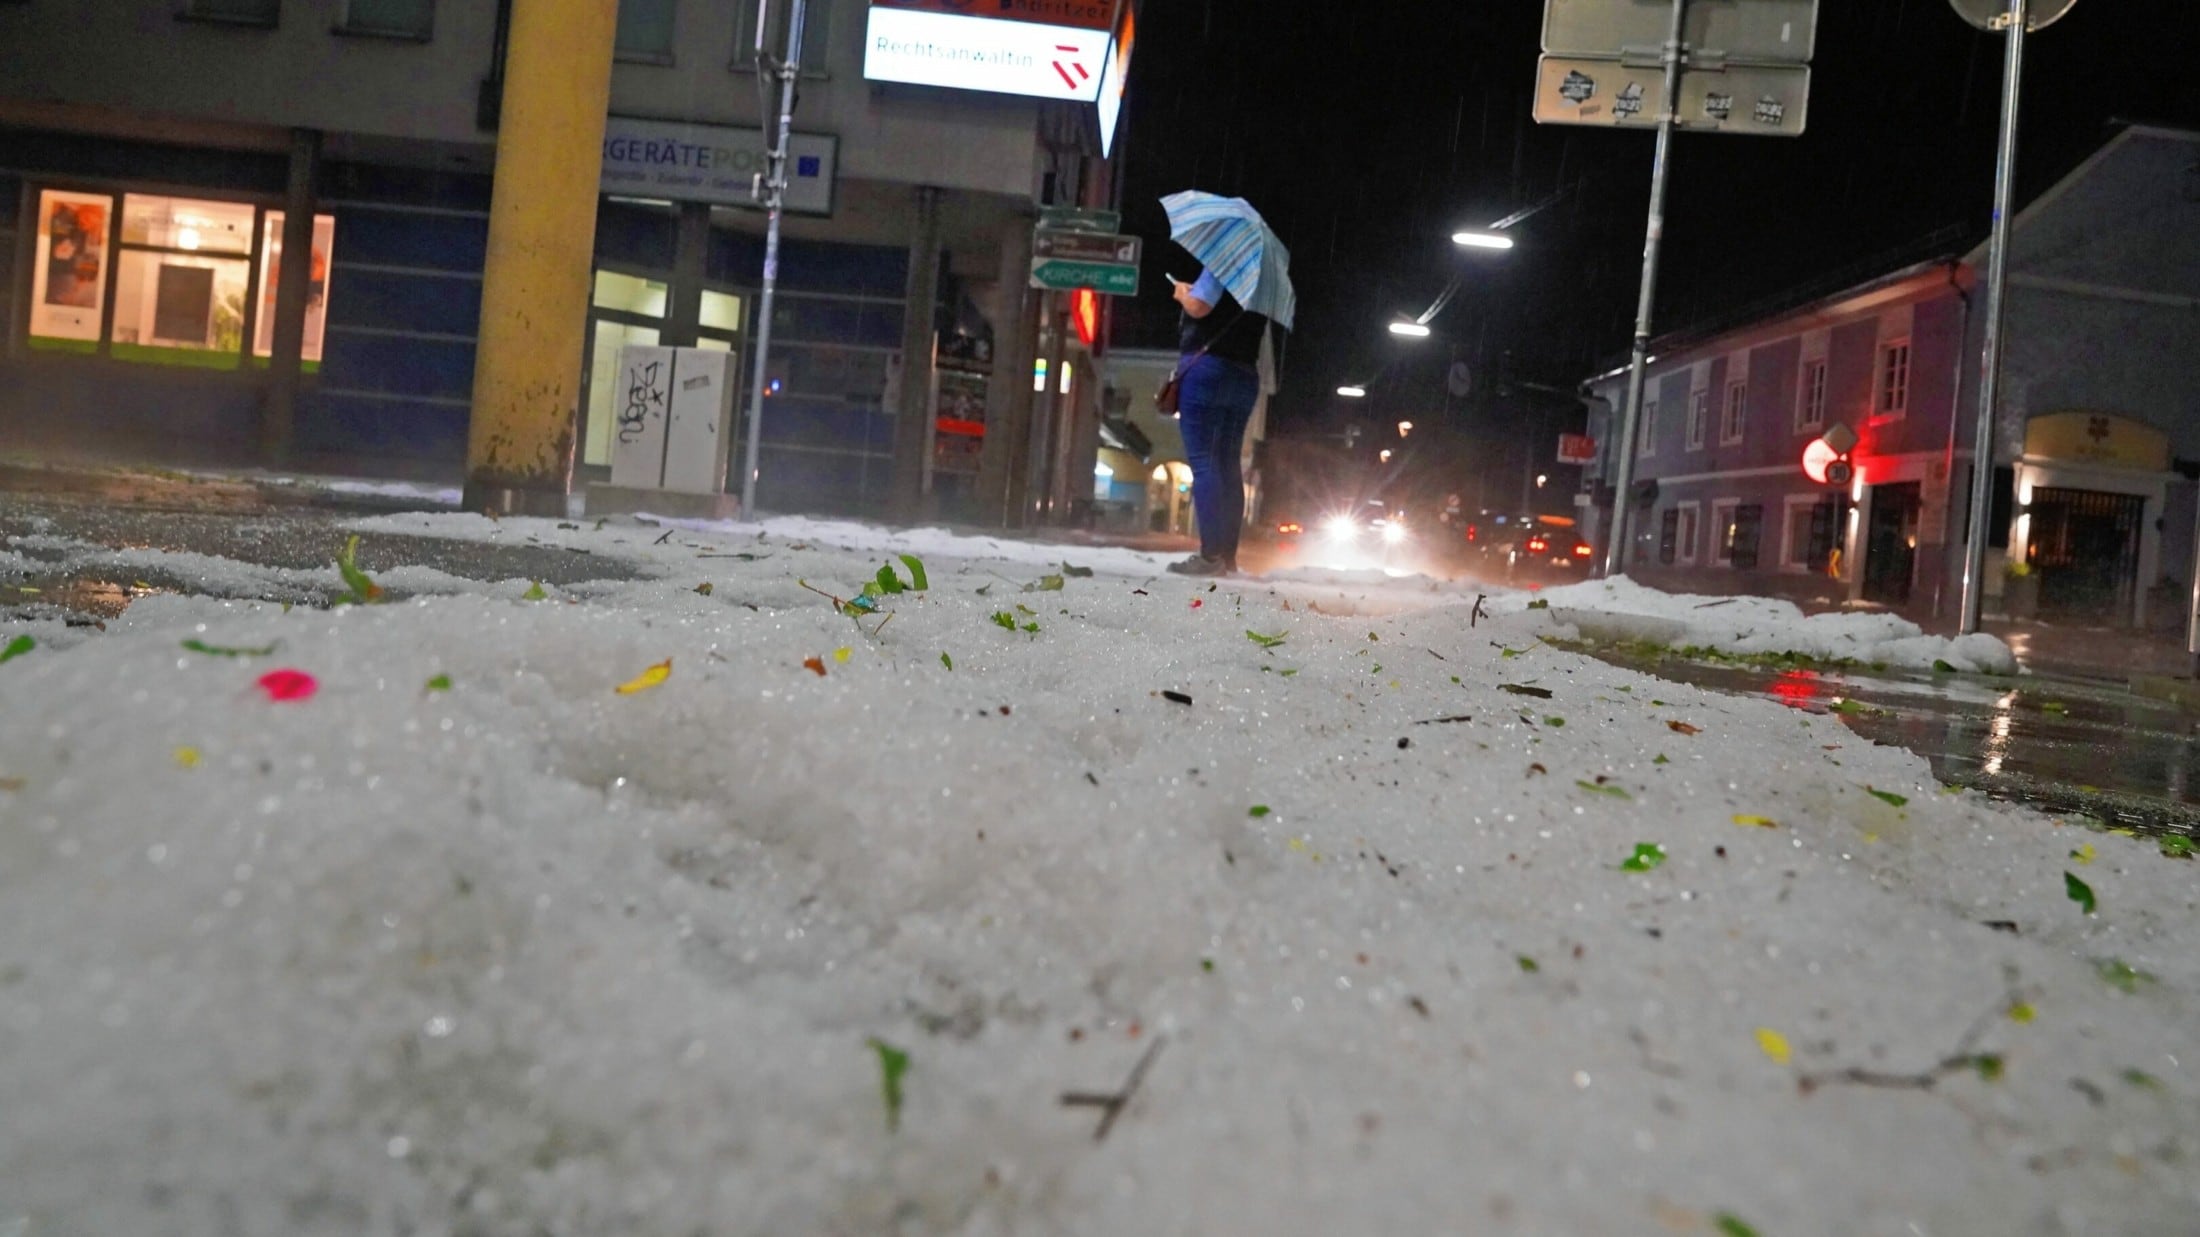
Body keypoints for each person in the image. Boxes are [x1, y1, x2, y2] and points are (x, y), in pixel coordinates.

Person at [1166, 267, 1269, 576]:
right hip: (1244, 375)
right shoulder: (1262, 280)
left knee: (1204, 461)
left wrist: (1183, 292)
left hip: (1207, 370)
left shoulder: (1225, 262)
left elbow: (1200, 307)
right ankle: (1227, 557)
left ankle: (1210, 557)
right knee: (1227, 462)